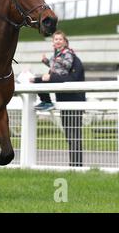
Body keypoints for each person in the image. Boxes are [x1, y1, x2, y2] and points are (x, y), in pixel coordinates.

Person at [31, 30, 86, 167]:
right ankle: (46, 101)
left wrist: (50, 77)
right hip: (63, 101)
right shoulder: (56, 56)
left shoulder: (71, 56)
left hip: (74, 102)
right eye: (55, 39)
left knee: (75, 135)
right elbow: (55, 67)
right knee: (69, 135)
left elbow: (68, 76)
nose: (58, 41)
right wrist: (45, 62)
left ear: (65, 42)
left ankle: (77, 165)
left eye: (60, 39)